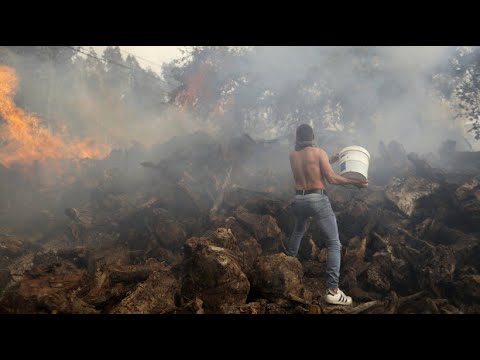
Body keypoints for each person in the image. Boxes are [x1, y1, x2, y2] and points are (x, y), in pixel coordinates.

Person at [287, 124, 368, 305]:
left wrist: (329, 159)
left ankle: (286, 265)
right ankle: (333, 290)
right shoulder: (318, 152)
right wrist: (355, 182)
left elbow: (311, 167)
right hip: (317, 199)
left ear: (297, 138)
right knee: (334, 244)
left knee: (298, 231)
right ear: (313, 136)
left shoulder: (293, 155)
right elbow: (331, 178)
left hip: (299, 200)